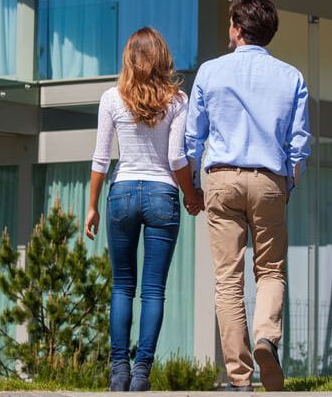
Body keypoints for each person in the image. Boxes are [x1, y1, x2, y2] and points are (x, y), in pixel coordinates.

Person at [185, 0, 310, 392]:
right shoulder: (291, 77)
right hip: (268, 178)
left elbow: (193, 136)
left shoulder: (209, 72)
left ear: (238, 29)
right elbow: (300, 143)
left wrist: (193, 183)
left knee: (228, 278)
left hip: (221, 178)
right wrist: (287, 182)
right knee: (270, 270)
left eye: (230, 23)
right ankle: (265, 338)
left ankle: (239, 379)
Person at [85, 27, 204, 392]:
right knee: (153, 290)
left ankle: (118, 371)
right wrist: (191, 194)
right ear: (161, 57)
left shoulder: (111, 98)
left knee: (122, 286)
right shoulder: (177, 100)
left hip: (121, 194)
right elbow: (175, 157)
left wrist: (92, 206)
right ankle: (141, 374)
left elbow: (101, 158)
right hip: (162, 195)